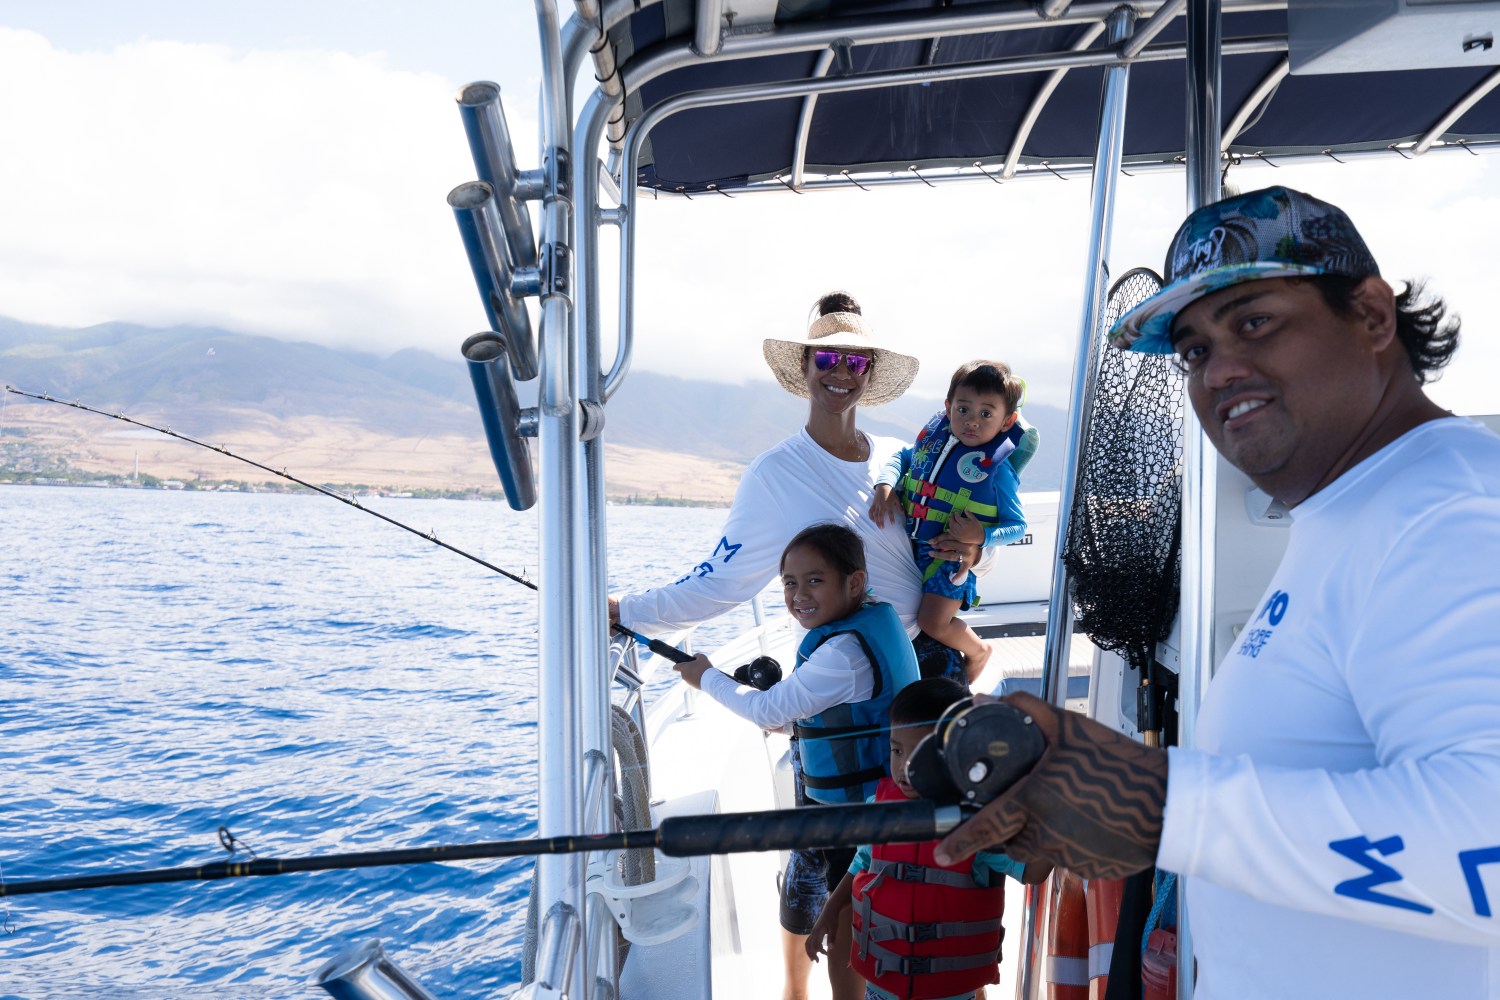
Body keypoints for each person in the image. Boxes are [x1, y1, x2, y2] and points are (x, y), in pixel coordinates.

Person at [930, 186, 1500, 999]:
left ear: (1373, 317)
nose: (1220, 368)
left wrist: (1166, 810)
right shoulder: (1356, 508)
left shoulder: (1452, 517)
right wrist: (1135, 808)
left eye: (1255, 320)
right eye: (1194, 350)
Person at [674, 523, 921, 1000]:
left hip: (859, 812)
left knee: (847, 922)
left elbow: (767, 708)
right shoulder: (862, 629)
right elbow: (838, 717)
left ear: (854, 582)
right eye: (789, 582)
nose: (798, 594)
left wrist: (706, 677)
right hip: (871, 801)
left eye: (814, 580)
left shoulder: (845, 651)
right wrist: (789, 723)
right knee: (851, 910)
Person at [805, 678, 1049, 1000]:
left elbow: (1032, 870)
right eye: (897, 749)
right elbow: (862, 862)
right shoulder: (879, 811)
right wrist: (830, 911)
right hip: (881, 986)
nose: (905, 767)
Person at [869, 361, 1034, 681]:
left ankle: (978, 651)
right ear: (947, 408)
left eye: (986, 414)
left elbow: (1017, 526)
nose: (972, 421)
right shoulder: (934, 444)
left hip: (951, 562)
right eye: (963, 409)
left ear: (1007, 421)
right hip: (916, 552)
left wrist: (981, 535)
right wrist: (885, 486)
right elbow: (902, 457)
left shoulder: (999, 472)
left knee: (933, 622)